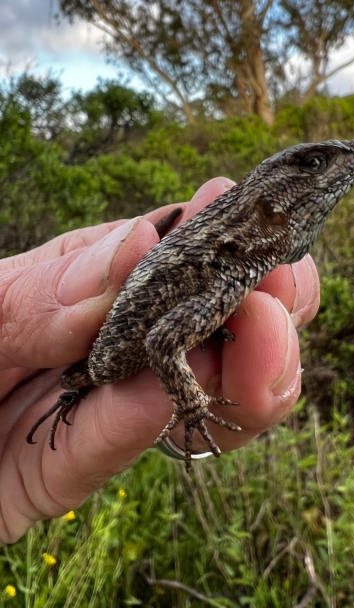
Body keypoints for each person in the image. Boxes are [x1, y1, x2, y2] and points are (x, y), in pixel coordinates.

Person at [0, 177, 320, 545]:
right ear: (268, 206)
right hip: (107, 353)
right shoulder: (228, 263)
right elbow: (163, 343)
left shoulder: (235, 258)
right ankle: (71, 396)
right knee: (78, 379)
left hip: (152, 310)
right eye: (313, 165)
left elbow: (168, 337)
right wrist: (192, 405)